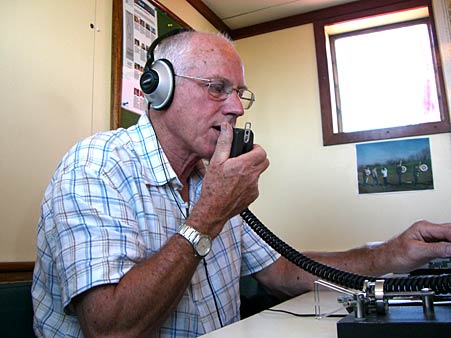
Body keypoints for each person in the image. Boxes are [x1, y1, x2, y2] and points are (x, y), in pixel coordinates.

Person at [32, 30, 451, 338]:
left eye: (239, 93)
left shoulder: (209, 176)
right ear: (157, 88)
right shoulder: (96, 166)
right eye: (217, 89)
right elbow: (109, 330)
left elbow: (285, 272)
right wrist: (209, 214)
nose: (234, 108)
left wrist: (395, 253)